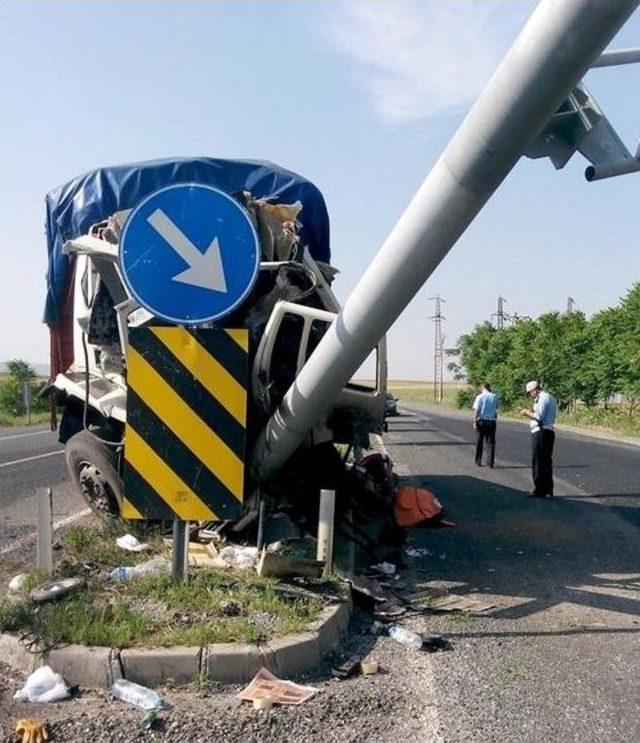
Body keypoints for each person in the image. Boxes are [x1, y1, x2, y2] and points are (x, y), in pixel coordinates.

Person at [520, 380, 557, 498]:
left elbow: (538, 417)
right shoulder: (550, 397)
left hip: (541, 432)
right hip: (548, 431)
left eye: (530, 393)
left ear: (535, 389)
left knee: (538, 462)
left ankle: (539, 489)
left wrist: (526, 412)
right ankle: (548, 489)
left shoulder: (542, 398)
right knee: (546, 461)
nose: (530, 395)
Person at [472, 382, 499, 468]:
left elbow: (477, 410)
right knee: (491, 442)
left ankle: (478, 460)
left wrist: (474, 421)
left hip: (482, 421)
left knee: (479, 441)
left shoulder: (479, 397)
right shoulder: (495, 396)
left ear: (482, 388)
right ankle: (490, 462)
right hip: (491, 421)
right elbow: (496, 408)